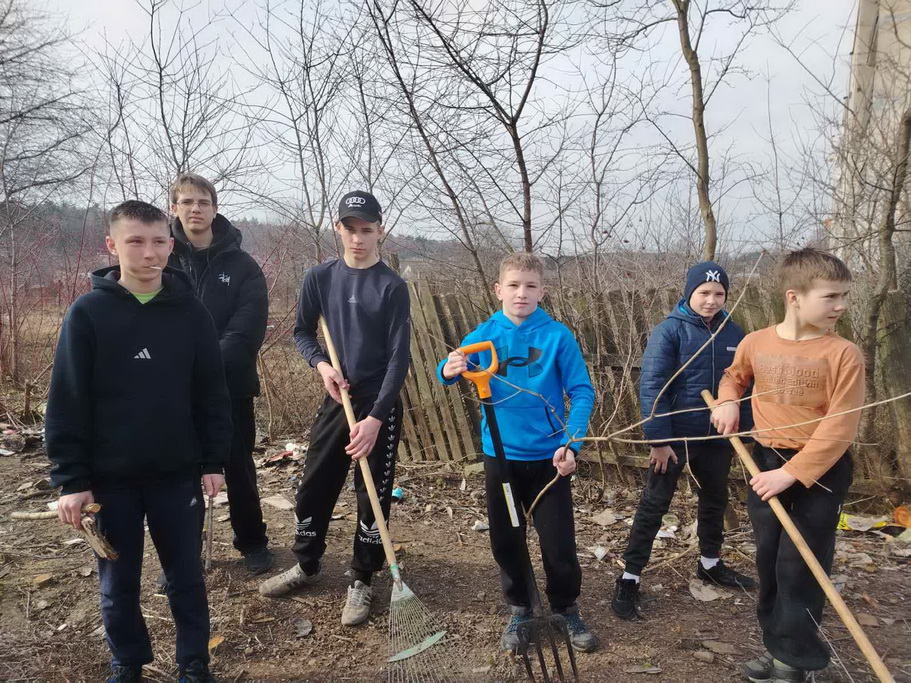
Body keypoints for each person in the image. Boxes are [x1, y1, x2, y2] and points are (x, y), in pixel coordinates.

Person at [45, 200, 231, 682]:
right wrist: (71, 480)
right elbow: (67, 400)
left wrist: (214, 460)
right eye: (136, 242)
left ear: (171, 245)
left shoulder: (191, 313)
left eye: (158, 242)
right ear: (112, 245)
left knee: (186, 577)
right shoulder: (87, 314)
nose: (149, 253)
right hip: (111, 480)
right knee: (118, 581)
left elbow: (211, 393)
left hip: (176, 473)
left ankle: (194, 662)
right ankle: (127, 662)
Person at [710, 248, 865, 683]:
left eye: (844, 296)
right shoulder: (757, 342)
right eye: (831, 296)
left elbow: (840, 426)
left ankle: (793, 663)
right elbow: (734, 376)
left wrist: (791, 473)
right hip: (765, 460)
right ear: (794, 297)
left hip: (820, 470)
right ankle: (777, 647)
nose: (841, 306)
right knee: (770, 560)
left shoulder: (843, 354)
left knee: (801, 566)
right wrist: (727, 402)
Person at [258, 191, 410, 628]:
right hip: (337, 396)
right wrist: (322, 365)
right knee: (314, 484)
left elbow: (399, 358)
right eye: (350, 229)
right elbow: (302, 332)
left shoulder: (391, 286)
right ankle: (306, 563)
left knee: (372, 495)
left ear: (380, 231)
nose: (358, 238)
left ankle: (362, 577)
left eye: (367, 230)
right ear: (337, 229)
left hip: (378, 403)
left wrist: (376, 419)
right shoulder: (319, 277)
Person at [437, 252, 598, 653]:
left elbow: (581, 392)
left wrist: (571, 443)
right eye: (513, 285)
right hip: (501, 458)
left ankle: (565, 607)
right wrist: (448, 368)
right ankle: (521, 608)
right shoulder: (485, 333)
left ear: (542, 291)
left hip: (549, 458)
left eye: (530, 286)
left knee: (558, 542)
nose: (521, 293)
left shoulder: (557, 336)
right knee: (506, 538)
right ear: (498, 290)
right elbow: (451, 367)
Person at [612, 261, 755, 621]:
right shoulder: (670, 331)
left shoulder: (733, 332)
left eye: (719, 294)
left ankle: (710, 564)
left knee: (715, 499)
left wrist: (744, 427)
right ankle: (630, 576)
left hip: (716, 436)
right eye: (704, 293)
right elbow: (653, 386)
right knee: (655, 503)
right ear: (689, 293)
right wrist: (659, 440)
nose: (711, 300)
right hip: (675, 437)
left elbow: (743, 383)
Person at [167, 173, 272, 580]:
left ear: (215, 208)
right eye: (187, 202)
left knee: (239, 467)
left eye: (203, 202)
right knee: (180, 472)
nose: (195, 209)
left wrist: (203, 369)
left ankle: (253, 542)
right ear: (174, 208)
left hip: (231, 388)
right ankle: (184, 552)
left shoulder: (243, 266)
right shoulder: (162, 260)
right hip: (172, 391)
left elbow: (246, 331)